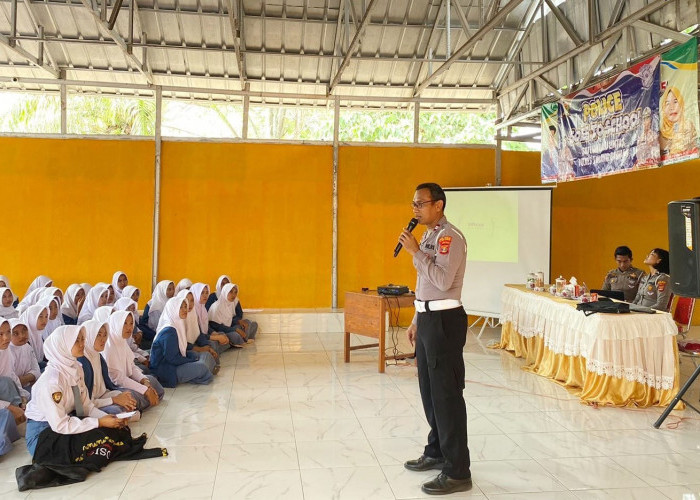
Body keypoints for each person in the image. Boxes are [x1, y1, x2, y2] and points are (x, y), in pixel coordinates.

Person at [19, 325, 165, 491]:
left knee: (113, 431)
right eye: (76, 340)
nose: (82, 343)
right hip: (43, 434)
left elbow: (85, 407)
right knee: (96, 439)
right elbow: (60, 425)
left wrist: (106, 419)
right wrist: (99, 423)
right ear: (63, 346)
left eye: (82, 339)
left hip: (67, 421)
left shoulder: (74, 369)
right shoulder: (52, 382)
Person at [397, 182, 472, 495]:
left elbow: (441, 282)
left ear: (438, 205)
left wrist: (415, 253)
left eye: (420, 203)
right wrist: (416, 318)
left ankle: (457, 471)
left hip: (445, 321)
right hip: (428, 319)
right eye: (414, 204)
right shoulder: (428, 235)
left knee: (446, 396)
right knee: (429, 392)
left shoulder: (449, 238)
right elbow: (423, 284)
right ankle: (437, 450)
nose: (415, 209)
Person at [104, 311, 164, 412]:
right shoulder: (108, 346)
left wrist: (145, 382)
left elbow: (132, 367)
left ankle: (139, 405)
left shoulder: (122, 341)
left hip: (127, 381)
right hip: (115, 388)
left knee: (152, 380)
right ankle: (139, 404)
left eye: (131, 323)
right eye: (125, 323)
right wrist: (145, 390)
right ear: (116, 324)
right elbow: (118, 380)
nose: (129, 328)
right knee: (131, 396)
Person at [149, 295, 215, 387]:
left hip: (174, 361)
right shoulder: (169, 331)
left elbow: (180, 347)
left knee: (204, 355)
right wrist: (190, 360)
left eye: (185, 306)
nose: (185, 310)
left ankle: (197, 373)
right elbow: (172, 359)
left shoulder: (177, 323)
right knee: (201, 367)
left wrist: (192, 357)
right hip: (165, 369)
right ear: (173, 309)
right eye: (180, 307)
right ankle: (200, 373)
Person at [78, 319, 138, 416]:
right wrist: (114, 400)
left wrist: (120, 397)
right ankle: (124, 416)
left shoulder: (98, 356)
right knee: (116, 411)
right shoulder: (82, 362)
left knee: (129, 396)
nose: (103, 339)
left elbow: (104, 390)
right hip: (90, 404)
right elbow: (85, 403)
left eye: (105, 335)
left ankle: (125, 415)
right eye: (98, 335)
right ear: (89, 336)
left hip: (102, 397)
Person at [191, 283, 230, 357]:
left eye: (206, 292)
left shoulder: (202, 308)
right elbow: (197, 335)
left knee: (222, 335)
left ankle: (214, 353)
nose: (205, 295)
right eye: (202, 293)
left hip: (204, 336)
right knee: (212, 344)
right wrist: (217, 337)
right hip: (195, 341)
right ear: (195, 293)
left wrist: (215, 333)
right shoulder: (193, 311)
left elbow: (206, 327)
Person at [660, 85, 697, 157]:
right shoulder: (661, 133)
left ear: (681, 103)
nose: (672, 107)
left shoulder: (688, 126)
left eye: (675, 102)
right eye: (667, 103)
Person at [208, 283, 249, 347]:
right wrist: (234, 330)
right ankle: (242, 339)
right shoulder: (217, 306)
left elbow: (229, 321)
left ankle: (239, 340)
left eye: (235, 292)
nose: (233, 295)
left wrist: (237, 322)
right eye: (231, 292)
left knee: (246, 323)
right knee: (234, 335)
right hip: (218, 332)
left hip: (228, 328)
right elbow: (215, 326)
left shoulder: (230, 304)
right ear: (225, 292)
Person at [8, 318, 41, 394]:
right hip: (12, 393)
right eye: (16, 333)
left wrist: (22, 380)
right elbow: (11, 384)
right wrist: (30, 378)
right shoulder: (6, 353)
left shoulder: (27, 347)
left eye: (24, 330)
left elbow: (36, 370)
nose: (22, 336)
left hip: (27, 386)